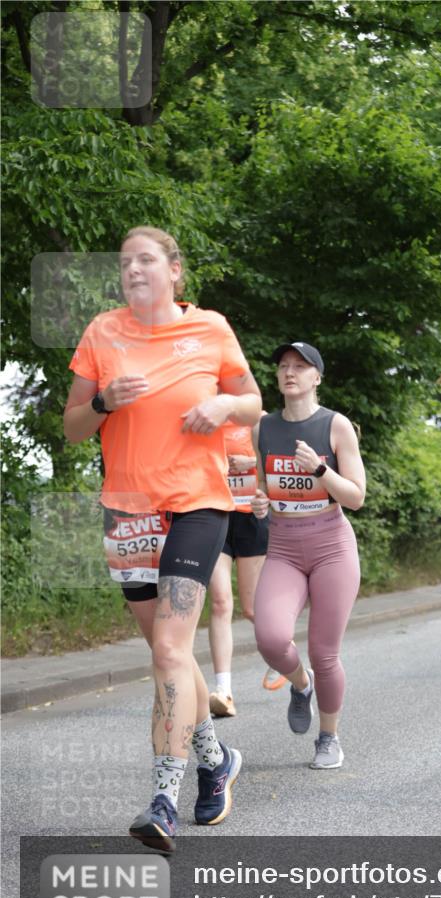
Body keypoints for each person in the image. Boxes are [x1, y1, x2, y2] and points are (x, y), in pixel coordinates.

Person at [63, 226, 262, 851]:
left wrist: (225, 410)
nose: (133, 270)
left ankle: (163, 800)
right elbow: (71, 428)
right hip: (127, 511)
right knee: (167, 656)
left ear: (174, 271)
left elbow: (253, 401)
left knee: (171, 649)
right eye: (124, 263)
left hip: (197, 504)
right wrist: (102, 403)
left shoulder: (210, 328)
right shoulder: (103, 332)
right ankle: (216, 758)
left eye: (145, 260)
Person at [250, 342, 365, 769]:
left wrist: (320, 469)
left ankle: (329, 738)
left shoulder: (336, 426)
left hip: (331, 545)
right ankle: (301, 685)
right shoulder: (263, 428)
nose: (289, 372)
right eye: (283, 366)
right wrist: (260, 502)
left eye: (300, 366)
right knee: (271, 637)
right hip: (283, 545)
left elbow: (356, 497)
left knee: (324, 651)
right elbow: (263, 487)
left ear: (317, 377)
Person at [207, 417, 280, 721]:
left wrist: (249, 461)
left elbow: (279, 462)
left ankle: (283, 654)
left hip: (252, 517)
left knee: (252, 609)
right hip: (215, 516)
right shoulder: (207, 420)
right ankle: (224, 691)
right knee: (221, 603)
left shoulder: (261, 421)